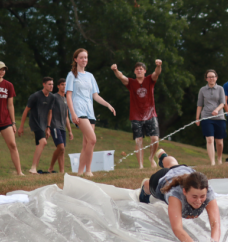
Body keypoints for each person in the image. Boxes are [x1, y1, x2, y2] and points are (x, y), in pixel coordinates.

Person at [139, 149, 220, 242]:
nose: (199, 201)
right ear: (185, 191)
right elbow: (177, 228)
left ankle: (163, 156)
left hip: (182, 171)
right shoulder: (175, 194)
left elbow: (215, 224)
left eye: (202, 196)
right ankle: (146, 185)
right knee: (151, 189)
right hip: (163, 177)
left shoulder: (208, 192)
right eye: (194, 196)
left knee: (172, 164)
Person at [66, 48, 116, 176]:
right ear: (76, 59)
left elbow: (95, 96)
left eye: (86, 57)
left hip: (90, 112)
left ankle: (81, 172)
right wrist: (73, 114)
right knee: (93, 139)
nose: (84, 60)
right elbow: (68, 96)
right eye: (81, 57)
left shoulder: (90, 76)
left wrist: (108, 105)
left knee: (87, 143)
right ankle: (87, 171)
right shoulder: (72, 75)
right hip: (79, 110)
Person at [111, 60, 163, 168]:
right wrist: (115, 70)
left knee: (155, 139)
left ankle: (151, 157)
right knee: (139, 140)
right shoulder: (131, 82)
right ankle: (141, 166)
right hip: (135, 115)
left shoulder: (150, 80)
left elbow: (157, 73)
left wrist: (159, 65)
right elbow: (121, 77)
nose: (139, 70)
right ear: (134, 71)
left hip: (151, 114)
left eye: (141, 69)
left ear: (144, 71)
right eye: (137, 69)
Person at [18, 77, 56, 174]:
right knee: (43, 142)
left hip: (43, 124)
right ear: (43, 84)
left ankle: (34, 169)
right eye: (49, 84)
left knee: (40, 145)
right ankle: (33, 167)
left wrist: (48, 127)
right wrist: (21, 127)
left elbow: (50, 113)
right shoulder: (35, 96)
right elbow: (26, 111)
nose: (51, 86)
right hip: (35, 122)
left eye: (52, 84)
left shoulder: (52, 97)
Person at [196, 69, 226, 166]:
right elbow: (199, 104)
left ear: (216, 78)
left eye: (213, 76)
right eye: (209, 77)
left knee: (219, 142)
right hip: (206, 117)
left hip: (219, 118)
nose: (211, 78)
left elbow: (223, 103)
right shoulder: (202, 90)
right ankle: (212, 162)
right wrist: (197, 118)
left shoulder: (220, 89)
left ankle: (219, 159)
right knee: (209, 140)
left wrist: (217, 110)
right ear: (206, 79)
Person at [47, 79, 74, 173]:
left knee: (62, 150)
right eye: (62, 85)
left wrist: (70, 131)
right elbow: (49, 112)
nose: (64, 87)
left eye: (65, 85)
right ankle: (51, 167)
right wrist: (48, 127)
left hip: (63, 127)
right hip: (55, 125)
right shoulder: (54, 97)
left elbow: (66, 116)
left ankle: (62, 171)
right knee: (61, 147)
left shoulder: (66, 99)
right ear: (58, 86)